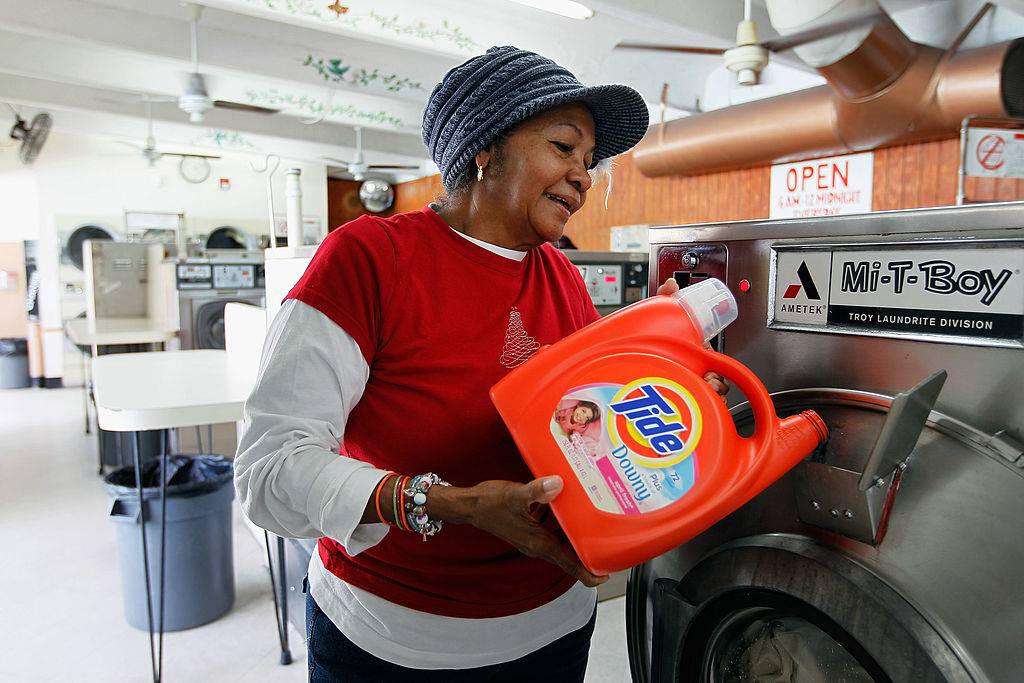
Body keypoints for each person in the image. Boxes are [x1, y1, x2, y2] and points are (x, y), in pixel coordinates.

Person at [235, 45, 728, 682]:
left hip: (553, 627)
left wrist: (667, 384)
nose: (584, 176)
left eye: (589, 161)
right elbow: (269, 471)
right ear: (485, 148)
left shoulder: (562, 278)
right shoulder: (371, 258)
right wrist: (451, 504)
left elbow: (587, 429)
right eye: (563, 146)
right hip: (396, 639)